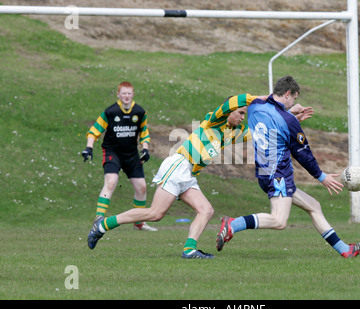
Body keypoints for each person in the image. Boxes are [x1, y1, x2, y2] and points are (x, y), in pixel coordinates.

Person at [87, 93, 269, 258]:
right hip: (178, 166)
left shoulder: (231, 133)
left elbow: (256, 133)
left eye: (244, 114)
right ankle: (103, 225)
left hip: (187, 173)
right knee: (155, 213)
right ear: (229, 111)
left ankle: (189, 250)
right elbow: (237, 100)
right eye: (240, 113)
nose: (242, 117)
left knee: (206, 210)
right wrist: (265, 98)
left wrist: (284, 112)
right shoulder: (215, 120)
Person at [216, 76, 360, 258]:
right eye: (294, 98)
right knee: (279, 221)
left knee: (314, 206)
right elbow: (303, 154)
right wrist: (321, 176)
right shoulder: (288, 121)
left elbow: (272, 117)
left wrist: (291, 113)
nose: (295, 102)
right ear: (287, 93)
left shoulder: (255, 107)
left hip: (264, 173)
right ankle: (233, 224)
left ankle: (344, 250)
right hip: (278, 175)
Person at [82, 81, 157, 232]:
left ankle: (139, 223)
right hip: (112, 152)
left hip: (131, 154)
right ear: (118, 95)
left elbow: (144, 132)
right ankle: (98, 219)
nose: (126, 96)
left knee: (141, 187)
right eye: (123, 93)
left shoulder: (139, 112)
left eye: (129, 93)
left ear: (133, 94)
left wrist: (146, 149)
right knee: (111, 182)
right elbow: (94, 130)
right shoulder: (110, 112)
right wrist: (88, 148)